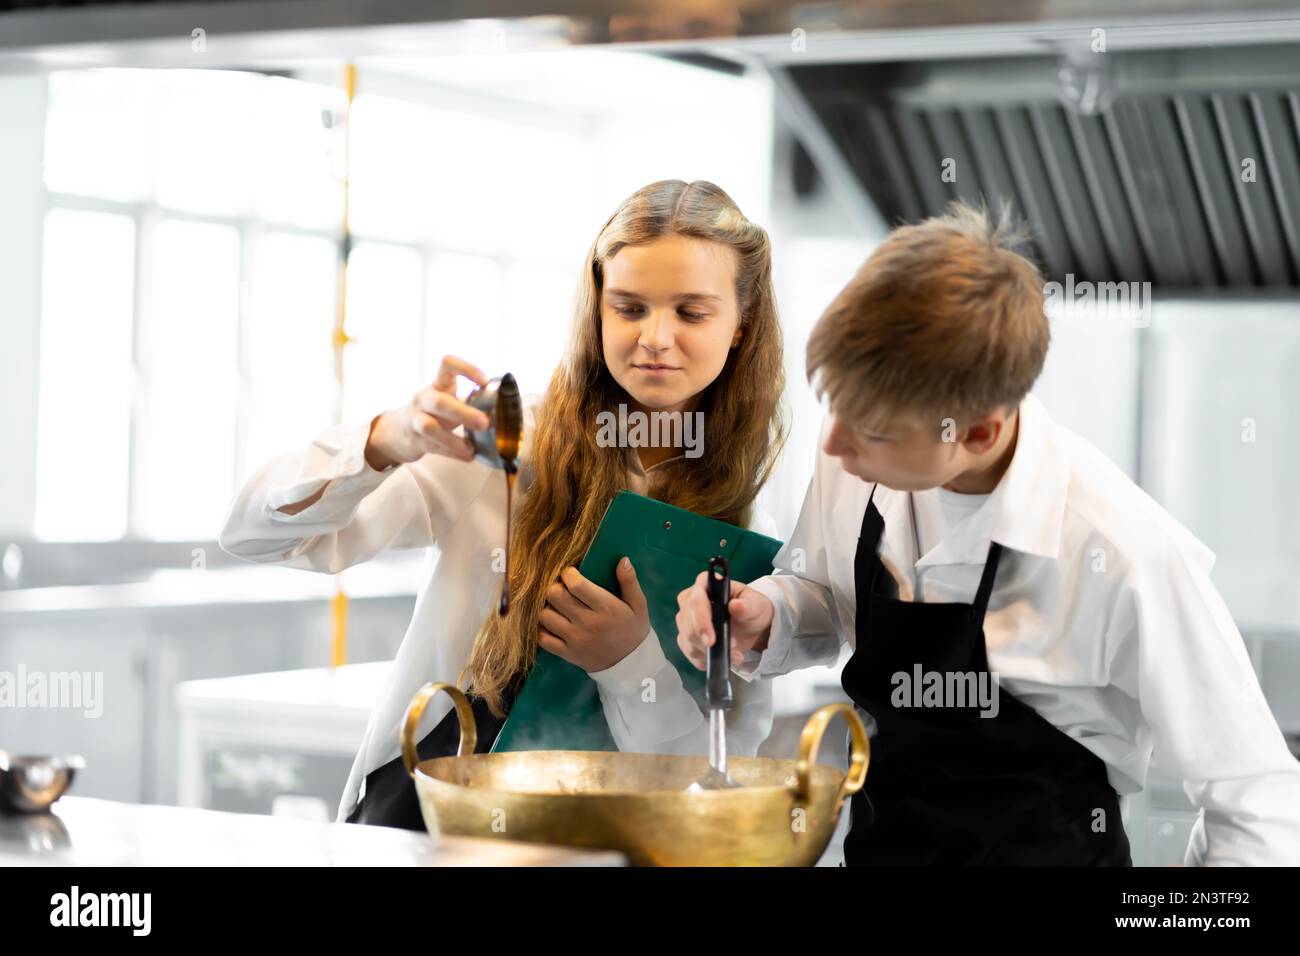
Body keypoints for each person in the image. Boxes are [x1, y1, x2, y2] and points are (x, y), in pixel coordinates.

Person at [675, 201, 1300, 866]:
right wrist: (767, 614)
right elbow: (823, 596)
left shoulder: (1122, 554)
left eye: (873, 430)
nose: (833, 445)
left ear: (977, 431)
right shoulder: (857, 457)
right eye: (834, 410)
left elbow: (1257, 805)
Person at [220, 179, 787, 828]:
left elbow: (718, 771)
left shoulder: (749, 520)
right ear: (598, 309)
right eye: (629, 307)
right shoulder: (502, 447)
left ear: (741, 326)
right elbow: (255, 535)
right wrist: (381, 444)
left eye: (691, 312)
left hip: (602, 841)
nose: (656, 337)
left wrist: (630, 664)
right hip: (431, 822)